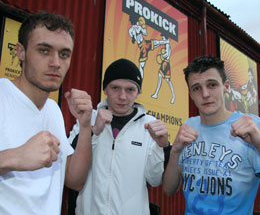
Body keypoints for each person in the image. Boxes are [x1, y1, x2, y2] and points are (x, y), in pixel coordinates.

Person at [0, 12, 92, 215]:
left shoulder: (53, 110)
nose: (56, 63)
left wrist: (85, 127)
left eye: (64, 54)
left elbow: (74, 180)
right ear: (21, 52)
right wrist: (14, 157)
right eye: (44, 50)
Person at [68, 58, 169, 215]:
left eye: (130, 90)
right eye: (115, 88)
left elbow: (155, 180)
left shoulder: (150, 125)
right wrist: (93, 131)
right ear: (105, 90)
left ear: (138, 93)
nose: (122, 96)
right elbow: (70, 170)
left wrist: (159, 146)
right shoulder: (88, 118)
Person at [163, 56, 260, 214]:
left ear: (226, 86)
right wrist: (174, 152)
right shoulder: (189, 126)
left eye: (212, 85)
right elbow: (168, 189)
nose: (205, 94)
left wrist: (258, 143)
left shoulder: (251, 126)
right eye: (197, 88)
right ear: (191, 94)